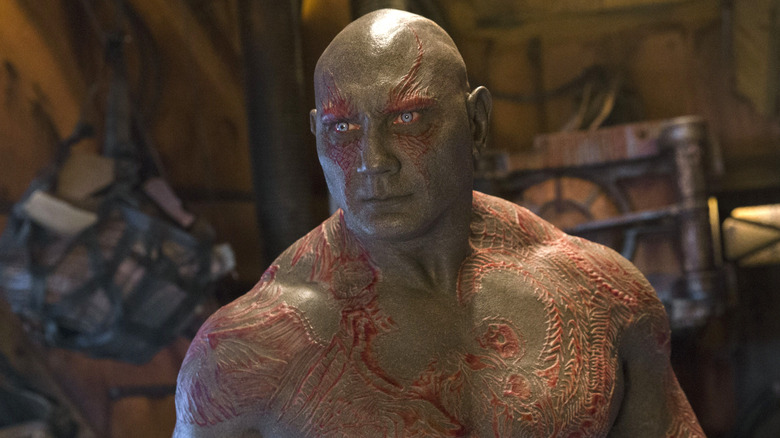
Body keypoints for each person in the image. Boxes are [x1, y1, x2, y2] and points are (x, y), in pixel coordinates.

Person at [173, 9, 705, 437]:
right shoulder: (243, 354)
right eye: (343, 128)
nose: (372, 160)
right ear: (315, 134)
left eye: (407, 118)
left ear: (476, 122)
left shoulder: (602, 295)